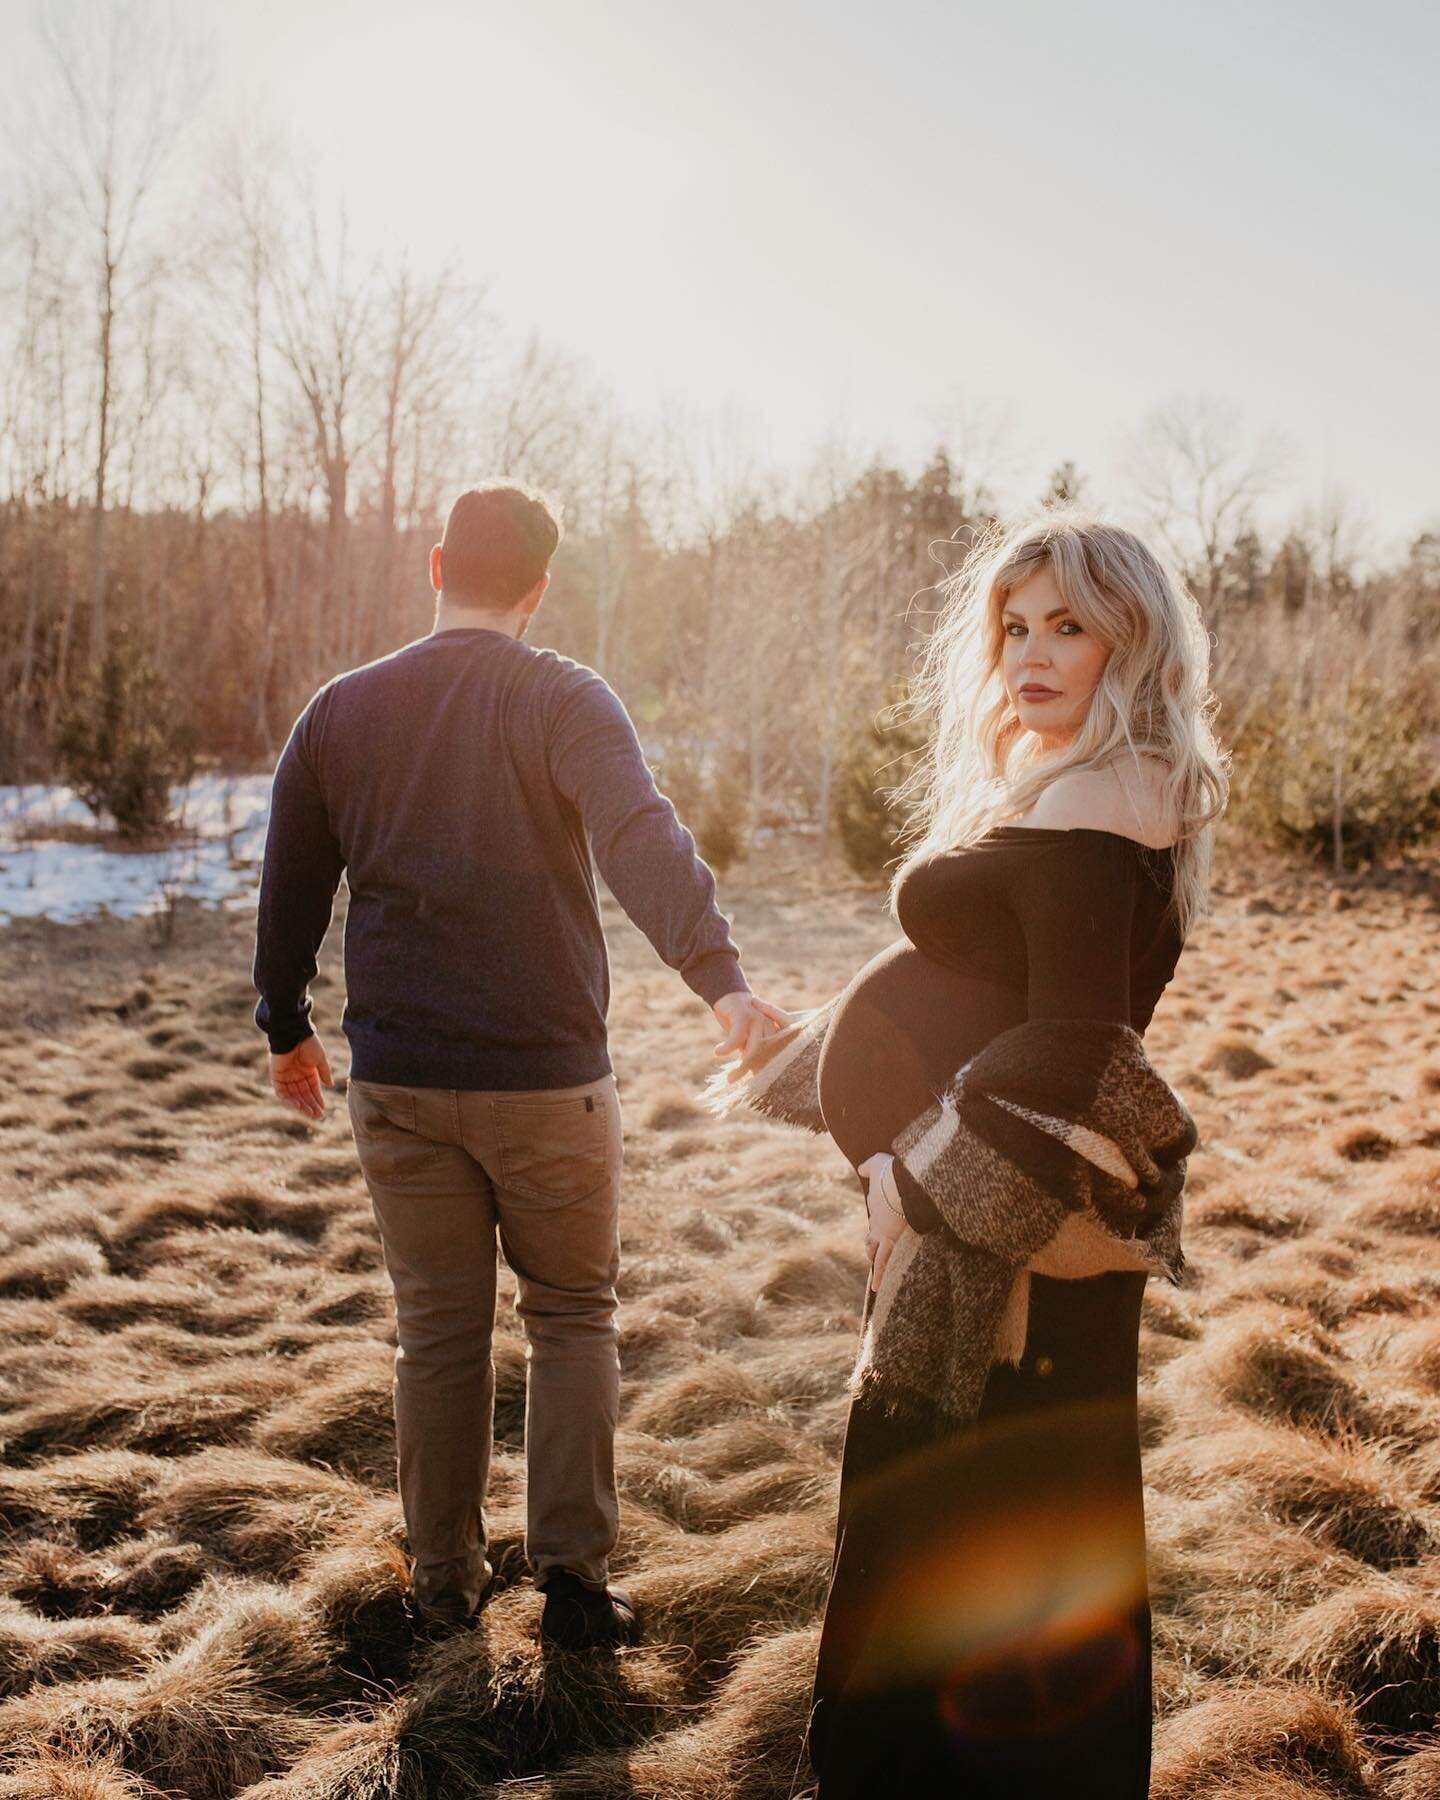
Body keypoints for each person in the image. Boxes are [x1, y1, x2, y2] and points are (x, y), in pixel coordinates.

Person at [727, 510, 1226, 1796]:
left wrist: (913, 1183)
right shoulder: (1103, 792)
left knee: (944, 1538)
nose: (1033, 653)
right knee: (1034, 1543)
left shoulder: (1095, 811)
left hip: (1000, 1247)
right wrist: (837, 1062)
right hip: (1015, 1235)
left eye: (1070, 625)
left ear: (1136, 640)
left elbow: (1072, 1049)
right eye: (1015, 626)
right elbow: (998, 999)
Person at [252, 481, 783, 1648]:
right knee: (574, 1317)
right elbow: (642, 836)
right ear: (539, 591)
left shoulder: (339, 713)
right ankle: (576, 1588)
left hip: (397, 1081)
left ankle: (443, 1588)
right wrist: (722, 984)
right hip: (548, 1085)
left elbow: (291, 883)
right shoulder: (564, 699)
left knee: (436, 1334)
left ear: (437, 567)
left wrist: (284, 1023)